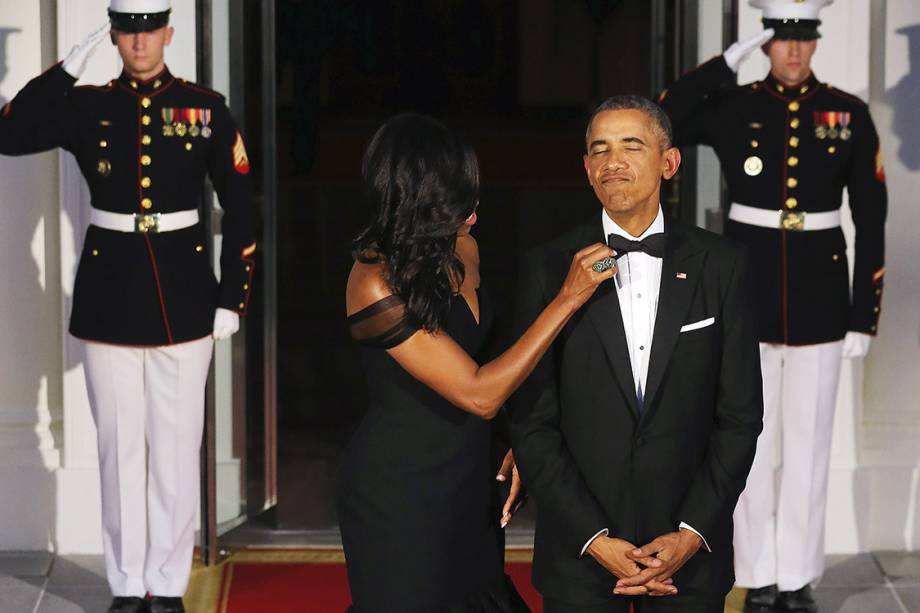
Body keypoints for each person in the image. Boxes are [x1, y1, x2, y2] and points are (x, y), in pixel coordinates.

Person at [0, 2, 255, 612]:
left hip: (187, 296)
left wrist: (232, 296)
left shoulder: (206, 107)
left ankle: (166, 587)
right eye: (126, 32)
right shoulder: (87, 104)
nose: (139, 43)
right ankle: (124, 585)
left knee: (173, 448)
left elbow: (241, 203)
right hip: (109, 295)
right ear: (114, 36)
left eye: (149, 31)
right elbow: (9, 134)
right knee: (119, 451)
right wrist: (64, 71)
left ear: (169, 33)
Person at [657, 1, 887, 610]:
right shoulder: (734, 104)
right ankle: (756, 574)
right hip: (745, 292)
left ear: (815, 42)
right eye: (780, 39)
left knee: (810, 443)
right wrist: (723, 64)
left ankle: (797, 579)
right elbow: (662, 116)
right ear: (764, 44)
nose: (792, 50)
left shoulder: (848, 114)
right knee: (747, 442)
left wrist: (864, 311)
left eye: (803, 39)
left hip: (820, 298)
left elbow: (872, 217)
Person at [338, 113, 617, 613]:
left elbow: (491, 358)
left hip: (469, 481)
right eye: (457, 189)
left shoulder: (462, 247)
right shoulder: (371, 282)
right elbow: (479, 392)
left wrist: (513, 440)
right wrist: (567, 299)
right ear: (418, 193)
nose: (473, 202)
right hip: (399, 494)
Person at [507, 95, 764, 613]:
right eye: (598, 150)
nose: (613, 161)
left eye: (631, 145)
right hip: (579, 552)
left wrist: (691, 533)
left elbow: (739, 416)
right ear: (586, 169)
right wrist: (593, 538)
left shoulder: (723, 264)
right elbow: (532, 421)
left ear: (669, 163)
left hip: (688, 552)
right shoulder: (547, 267)